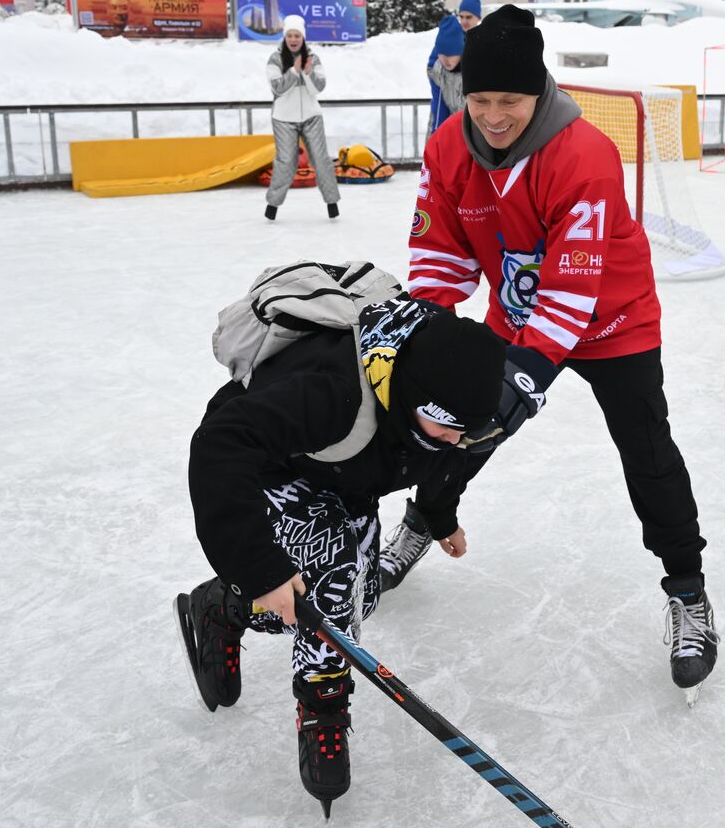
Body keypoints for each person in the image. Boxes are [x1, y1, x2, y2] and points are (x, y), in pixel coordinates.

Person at [389, 5, 720, 699]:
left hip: (612, 320)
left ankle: (687, 590)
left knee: (646, 449)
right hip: (517, 313)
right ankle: (424, 521)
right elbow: (439, 250)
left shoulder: (583, 154)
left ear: (537, 90)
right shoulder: (449, 145)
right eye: (479, 99)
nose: (493, 115)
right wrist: (428, 334)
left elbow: (572, 288)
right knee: (460, 423)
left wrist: (523, 378)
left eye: (508, 100)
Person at [176, 291, 507, 813]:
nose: (454, 436)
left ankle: (222, 607)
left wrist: (439, 514)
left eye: (470, 427)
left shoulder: (451, 421)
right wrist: (260, 568)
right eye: (443, 420)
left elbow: (450, 455)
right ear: (409, 391)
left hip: (346, 471)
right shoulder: (333, 395)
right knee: (332, 572)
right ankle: (322, 704)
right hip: (274, 464)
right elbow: (221, 445)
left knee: (357, 598)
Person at [263, 16, 339, 221]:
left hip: (311, 116)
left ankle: (332, 203)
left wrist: (307, 72)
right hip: (283, 118)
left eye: (297, 35)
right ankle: (272, 205)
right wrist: (294, 71)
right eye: (290, 35)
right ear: (285, 37)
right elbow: (277, 87)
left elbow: (319, 88)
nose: (293, 39)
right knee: (286, 161)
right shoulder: (275, 59)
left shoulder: (313, 58)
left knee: (321, 160)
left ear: (303, 38)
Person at [427, 0, 480, 133]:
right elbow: (434, 68)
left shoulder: (483, 41)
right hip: (452, 113)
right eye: (461, 16)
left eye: (469, 17)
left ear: (478, 18)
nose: (464, 21)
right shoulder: (451, 36)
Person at [426, 15, 465, 132]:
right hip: (452, 132)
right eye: (442, 55)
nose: (446, 60)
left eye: (451, 54)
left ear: (460, 52)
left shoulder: (474, 70)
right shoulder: (439, 71)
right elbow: (438, 111)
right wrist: (435, 141)